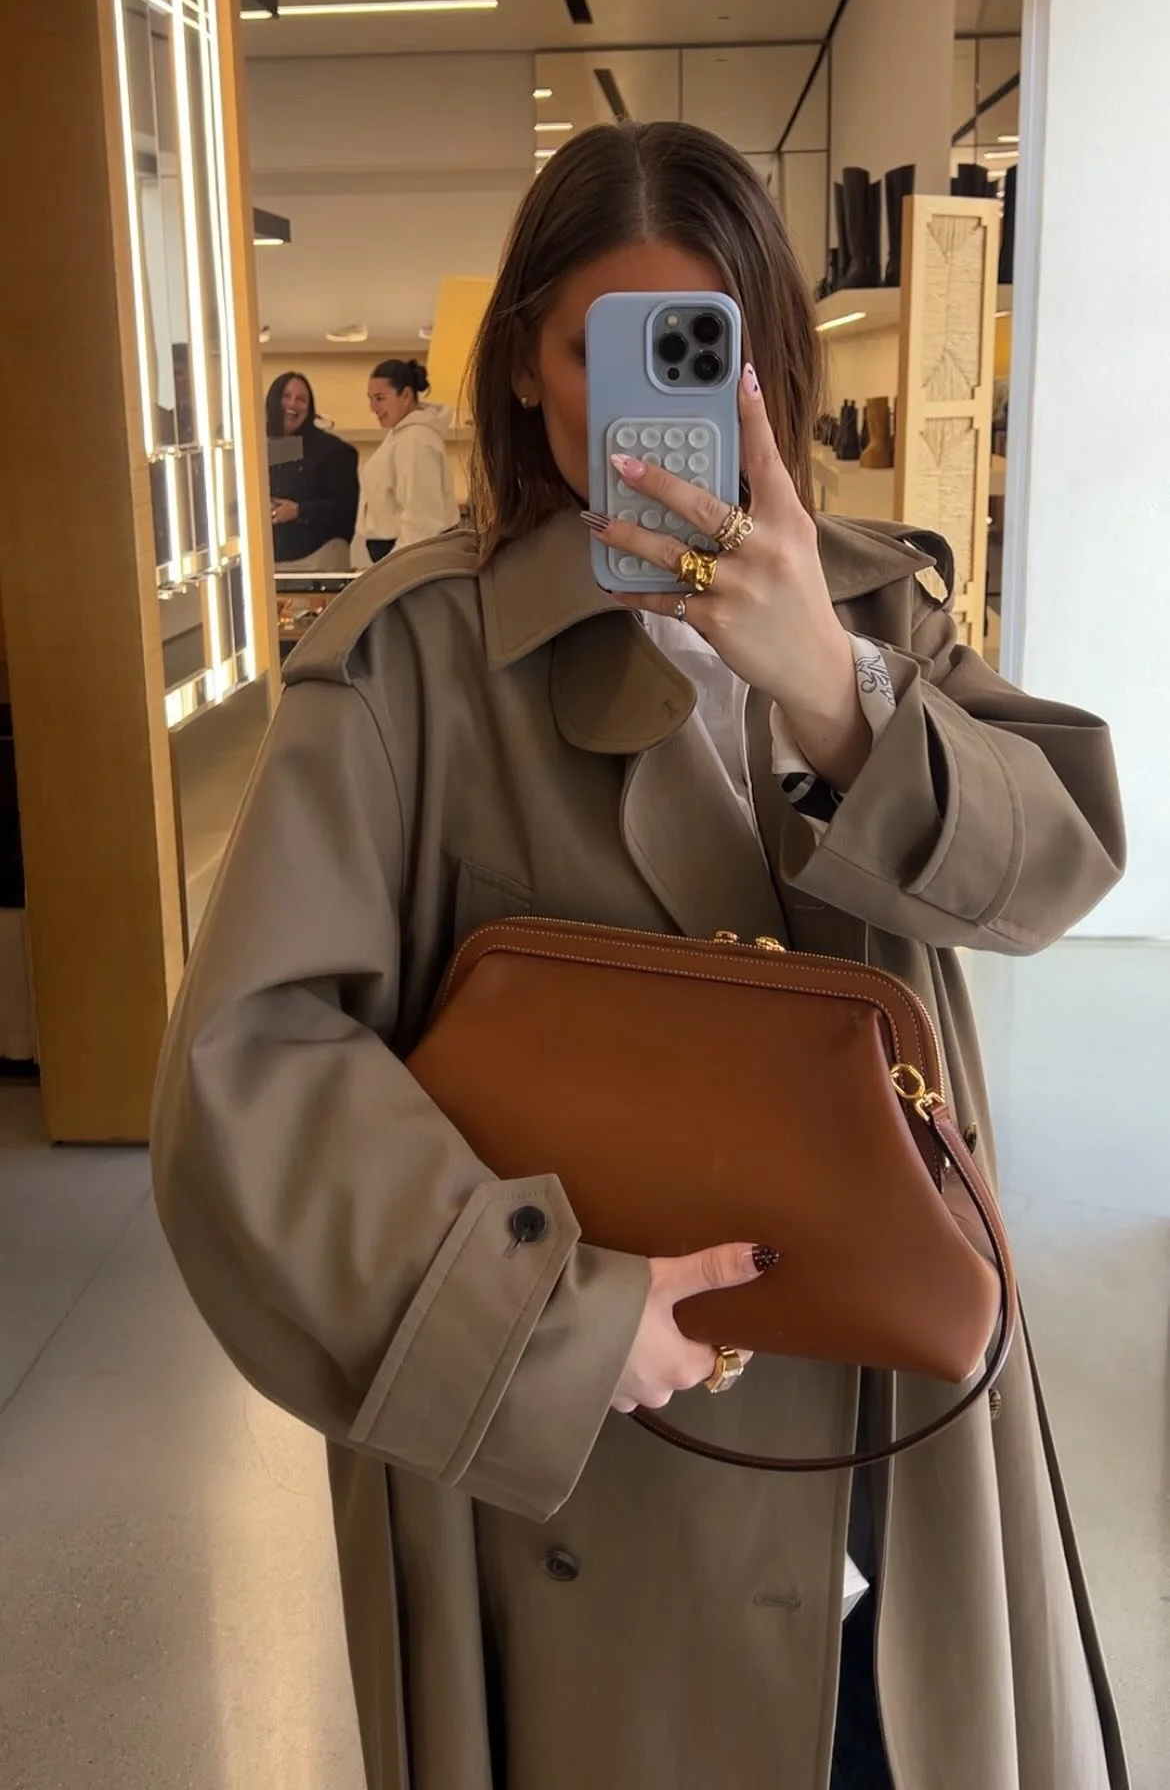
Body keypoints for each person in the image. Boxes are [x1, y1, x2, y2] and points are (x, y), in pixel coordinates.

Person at [152, 123, 1129, 1790]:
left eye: (707, 344)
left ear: (771, 361)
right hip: (595, 1457)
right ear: (524, 366)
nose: (653, 406)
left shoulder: (876, 610)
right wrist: (546, 1318)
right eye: (604, 350)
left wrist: (837, 697)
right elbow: (248, 1073)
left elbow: (1051, 874)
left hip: (891, 1409)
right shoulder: (414, 667)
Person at [352, 356, 459, 563]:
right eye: (370, 398)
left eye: (380, 398)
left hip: (409, 555)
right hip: (398, 553)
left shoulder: (416, 440)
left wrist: (396, 566)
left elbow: (422, 520)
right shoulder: (402, 435)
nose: (373, 407)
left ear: (407, 395)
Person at [266, 370, 359, 570]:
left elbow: (347, 509)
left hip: (317, 561)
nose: (292, 404)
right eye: (286, 396)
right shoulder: (257, 448)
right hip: (267, 562)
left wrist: (299, 511)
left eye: (301, 399)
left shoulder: (333, 451)